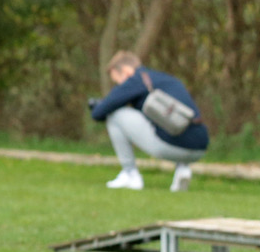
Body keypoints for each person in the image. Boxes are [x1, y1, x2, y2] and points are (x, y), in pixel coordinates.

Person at [89, 50, 208, 191]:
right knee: (167, 122)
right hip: (201, 146)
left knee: (115, 116)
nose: (119, 86)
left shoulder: (135, 80)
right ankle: (182, 168)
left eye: (118, 81)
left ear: (126, 71)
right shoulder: (167, 79)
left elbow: (98, 113)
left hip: (170, 147)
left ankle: (130, 174)